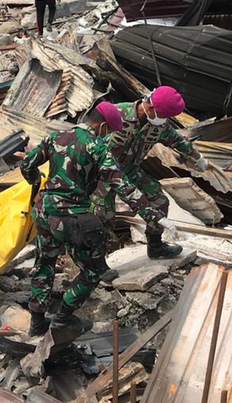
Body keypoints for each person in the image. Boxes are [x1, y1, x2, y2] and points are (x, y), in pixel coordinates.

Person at [20, 101, 125, 337]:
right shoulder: (98, 147)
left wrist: (36, 180)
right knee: (92, 272)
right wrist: (152, 215)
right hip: (70, 216)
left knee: (45, 262)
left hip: (44, 211)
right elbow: (120, 182)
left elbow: (26, 164)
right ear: (102, 126)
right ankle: (63, 319)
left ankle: (37, 321)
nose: (107, 135)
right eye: (108, 131)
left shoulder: (56, 137)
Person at [108, 86, 207, 260]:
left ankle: (155, 245)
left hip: (131, 171)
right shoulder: (116, 114)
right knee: (102, 216)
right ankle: (95, 265)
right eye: (164, 116)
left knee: (159, 200)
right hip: (103, 174)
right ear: (150, 107)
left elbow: (177, 140)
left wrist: (197, 157)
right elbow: (88, 141)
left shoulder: (158, 125)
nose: (165, 120)